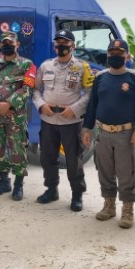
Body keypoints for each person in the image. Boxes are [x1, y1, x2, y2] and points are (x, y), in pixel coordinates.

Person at [82, 39, 135, 229]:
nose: (115, 56)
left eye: (120, 53)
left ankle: (127, 210)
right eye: (112, 52)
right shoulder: (100, 77)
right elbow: (92, 106)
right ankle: (109, 206)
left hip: (125, 134)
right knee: (104, 171)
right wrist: (87, 129)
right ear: (107, 54)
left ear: (127, 56)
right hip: (102, 132)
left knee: (126, 173)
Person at [33, 29, 94, 211]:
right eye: (58, 43)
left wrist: (75, 110)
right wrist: (41, 105)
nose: (61, 46)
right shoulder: (45, 66)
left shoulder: (82, 67)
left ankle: (77, 195)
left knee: (74, 160)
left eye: (65, 43)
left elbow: (91, 93)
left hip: (71, 122)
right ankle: (51, 190)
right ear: (54, 45)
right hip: (48, 120)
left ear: (73, 46)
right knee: (47, 158)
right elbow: (35, 90)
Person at [0, 31, 36, 201]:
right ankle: (3, 181)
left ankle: (18, 185)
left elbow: (27, 89)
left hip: (16, 117)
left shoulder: (27, 65)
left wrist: (9, 103)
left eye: (11, 43)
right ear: (0, 45)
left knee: (17, 150)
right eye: (4, 43)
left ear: (17, 45)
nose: (7, 45)